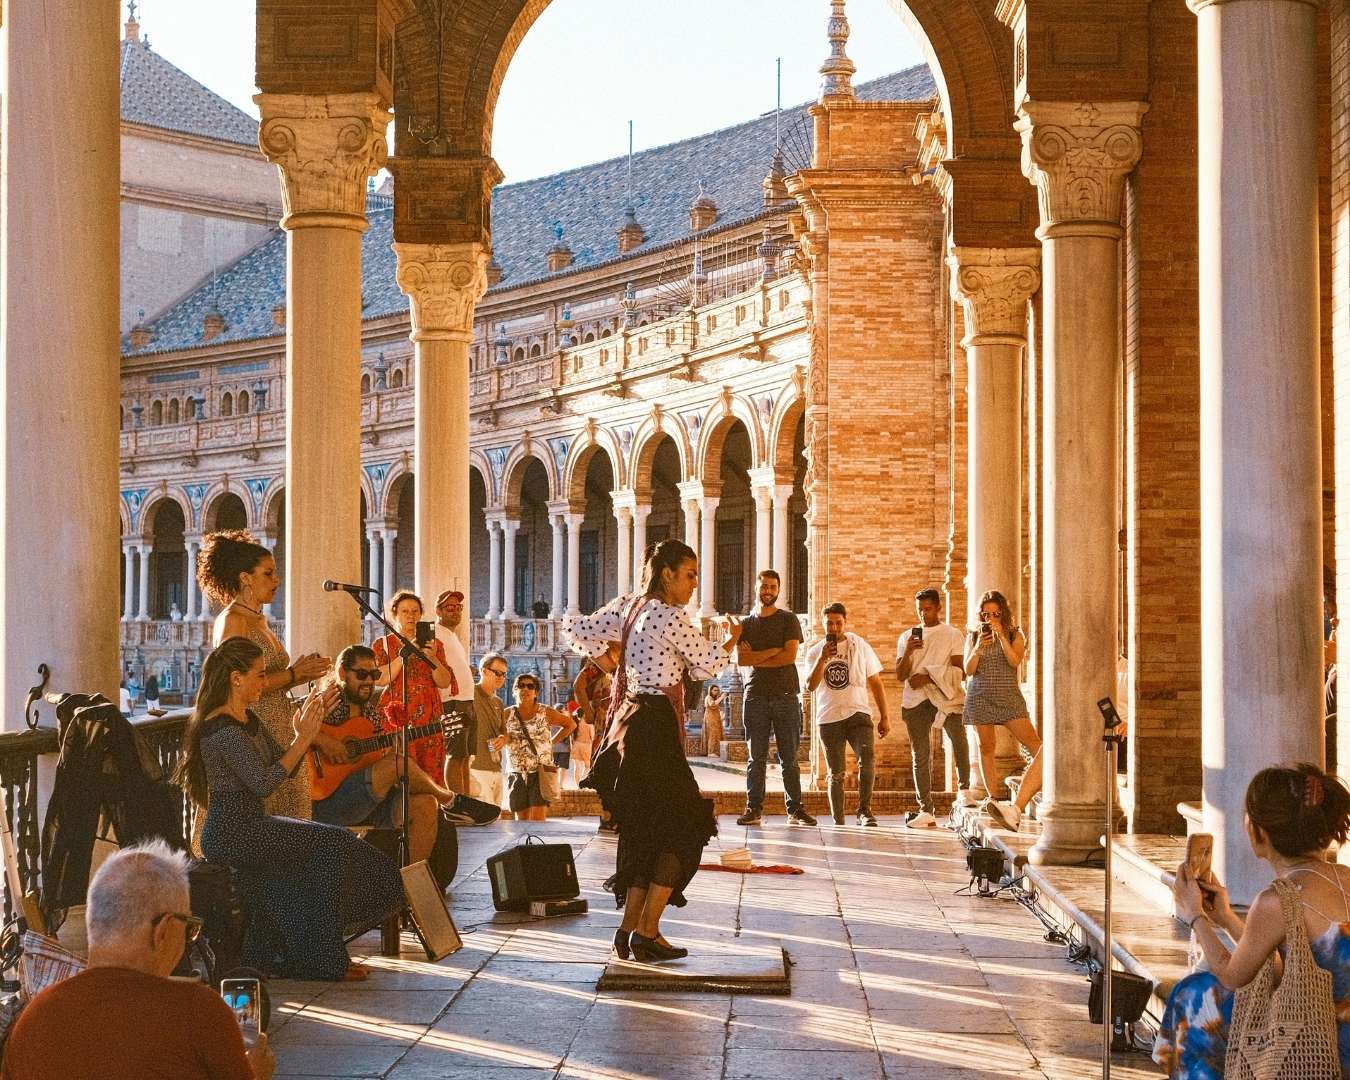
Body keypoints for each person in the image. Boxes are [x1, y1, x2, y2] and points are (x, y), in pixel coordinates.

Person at [174, 637, 404, 982]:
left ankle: (313, 957)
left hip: (252, 825)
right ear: (236, 678)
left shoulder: (246, 718)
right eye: (260, 675)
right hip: (231, 833)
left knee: (329, 849)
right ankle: (322, 960)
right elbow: (264, 782)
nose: (265, 683)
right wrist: (302, 740)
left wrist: (304, 732)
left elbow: (286, 765)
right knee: (332, 846)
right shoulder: (220, 728)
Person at [563, 539, 742, 963]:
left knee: (646, 830)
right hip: (656, 724)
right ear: (667, 574)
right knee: (687, 827)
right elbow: (709, 663)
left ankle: (629, 932)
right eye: (690, 574)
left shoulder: (630, 606)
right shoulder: (669, 616)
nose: (695, 584)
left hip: (629, 721)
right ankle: (647, 931)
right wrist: (732, 640)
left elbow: (574, 630)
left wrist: (611, 664)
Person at [0, 838, 271, 1080]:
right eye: (189, 927)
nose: (188, 940)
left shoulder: (34, 1018)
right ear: (163, 931)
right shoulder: (198, 1012)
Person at [1155, 763, 1350, 1077]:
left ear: (1260, 832)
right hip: (1332, 1026)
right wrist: (1227, 918)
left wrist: (1195, 916)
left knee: (1194, 996)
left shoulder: (1279, 899)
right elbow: (1288, 967)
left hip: (1323, 1049)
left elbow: (1234, 976)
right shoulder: (1344, 877)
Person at [198, 530, 330, 820]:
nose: (276, 581)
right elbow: (237, 682)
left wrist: (301, 680)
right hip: (253, 730)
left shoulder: (259, 619)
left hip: (278, 729)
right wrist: (294, 673)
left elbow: (267, 676)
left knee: (293, 821)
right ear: (246, 578)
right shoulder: (233, 620)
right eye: (268, 573)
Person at [310, 644, 461, 863]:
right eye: (362, 674)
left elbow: (376, 761)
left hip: (364, 800)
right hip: (327, 800)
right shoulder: (328, 702)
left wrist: (392, 750)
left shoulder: (371, 713)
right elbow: (290, 728)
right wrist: (323, 740)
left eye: (374, 674)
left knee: (426, 804)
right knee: (398, 764)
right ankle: (451, 801)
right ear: (342, 673)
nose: (369, 681)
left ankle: (410, 885)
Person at [736, 569, 816, 827]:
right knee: (755, 757)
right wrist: (773, 651)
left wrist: (759, 655)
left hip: (785, 695)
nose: (768, 591)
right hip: (755, 694)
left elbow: (789, 657)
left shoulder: (788, 620)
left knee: (789, 757)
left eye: (772, 587)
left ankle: (795, 808)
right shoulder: (746, 624)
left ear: (778, 590)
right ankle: (753, 808)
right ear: (756, 588)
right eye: (764, 586)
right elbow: (742, 659)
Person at [804, 602, 890, 827]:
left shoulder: (859, 646)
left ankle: (864, 811)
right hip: (829, 717)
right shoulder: (815, 651)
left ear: (845, 623)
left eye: (838, 623)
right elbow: (810, 686)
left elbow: (875, 682)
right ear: (824, 624)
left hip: (858, 713)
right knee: (836, 773)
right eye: (830, 623)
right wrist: (823, 658)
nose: (834, 628)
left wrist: (885, 716)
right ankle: (839, 822)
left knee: (867, 759)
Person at [962, 589, 1042, 831]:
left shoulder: (1016, 634)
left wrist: (1002, 638)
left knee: (1035, 745)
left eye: (995, 614)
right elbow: (969, 669)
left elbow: (1015, 661)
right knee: (987, 747)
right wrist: (978, 648)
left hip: (1008, 697)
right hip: (981, 696)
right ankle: (994, 798)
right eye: (985, 615)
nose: (990, 619)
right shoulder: (974, 636)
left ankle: (1042, 784)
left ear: (1003, 613)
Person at [895, 587, 971, 828]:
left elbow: (960, 671)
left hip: (945, 696)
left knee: (958, 739)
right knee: (921, 754)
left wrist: (928, 677)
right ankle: (926, 809)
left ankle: (965, 791)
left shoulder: (952, 634)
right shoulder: (906, 637)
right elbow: (900, 675)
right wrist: (909, 650)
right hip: (915, 701)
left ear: (938, 608)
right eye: (920, 610)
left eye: (928, 609)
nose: (923, 615)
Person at [372, 590, 453, 787]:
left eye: (415, 611)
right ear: (395, 615)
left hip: (428, 714)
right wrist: (404, 654)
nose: (411, 616)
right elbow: (381, 679)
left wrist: (432, 657)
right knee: (398, 766)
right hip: (396, 712)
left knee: (430, 768)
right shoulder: (382, 644)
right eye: (405, 611)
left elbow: (444, 681)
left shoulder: (435, 645)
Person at [491, 672, 575, 822]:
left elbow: (570, 724)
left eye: (530, 686)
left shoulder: (545, 712)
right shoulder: (507, 714)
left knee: (538, 821)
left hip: (540, 772)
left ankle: (535, 846)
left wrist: (552, 742)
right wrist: (503, 739)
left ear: (536, 692)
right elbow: (501, 735)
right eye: (520, 686)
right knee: (520, 821)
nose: (525, 689)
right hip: (516, 772)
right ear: (514, 690)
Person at [433, 589, 476, 795]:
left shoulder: (451, 635)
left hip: (466, 699)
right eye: (450, 608)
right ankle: (457, 803)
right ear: (438, 611)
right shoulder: (435, 633)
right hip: (452, 701)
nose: (456, 612)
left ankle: (467, 801)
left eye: (458, 608)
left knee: (465, 755)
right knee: (455, 754)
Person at [573, 644, 619, 830]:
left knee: (611, 769)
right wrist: (590, 713)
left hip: (611, 723)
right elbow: (579, 686)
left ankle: (610, 818)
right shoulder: (606, 657)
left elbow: (579, 686)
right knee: (612, 769)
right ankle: (609, 817)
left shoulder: (609, 657)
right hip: (611, 723)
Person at [470, 652, 508, 806]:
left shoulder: (498, 702)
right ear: (484, 671)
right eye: (497, 673)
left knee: (496, 821)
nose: (501, 677)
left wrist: (503, 739)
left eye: (504, 674)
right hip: (476, 769)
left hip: (496, 769)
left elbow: (504, 732)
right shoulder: (470, 695)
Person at [703, 683, 725, 757]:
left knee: (716, 733)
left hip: (715, 718)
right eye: (714, 690)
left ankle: (715, 751)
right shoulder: (708, 697)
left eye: (717, 690)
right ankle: (711, 752)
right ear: (710, 690)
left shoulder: (713, 697)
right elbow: (712, 704)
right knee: (712, 733)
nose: (716, 692)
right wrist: (721, 697)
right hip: (710, 718)